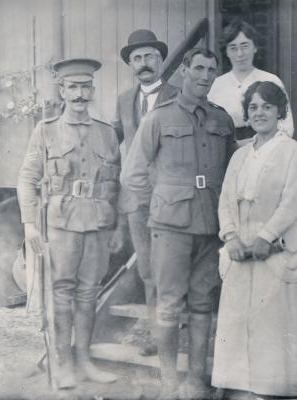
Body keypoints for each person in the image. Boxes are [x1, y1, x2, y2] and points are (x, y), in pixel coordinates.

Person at [121, 48, 235, 400]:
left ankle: (195, 381)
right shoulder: (159, 117)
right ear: (184, 71)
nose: (204, 75)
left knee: (202, 304)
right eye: (198, 68)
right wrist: (160, 200)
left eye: (211, 69)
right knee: (169, 304)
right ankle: (169, 383)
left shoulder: (222, 119)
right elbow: (133, 174)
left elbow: (232, 171)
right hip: (170, 227)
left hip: (209, 226)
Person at [17, 58, 120, 389]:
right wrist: (29, 224)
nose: (79, 94)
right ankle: (62, 363)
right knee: (61, 291)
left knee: (89, 291)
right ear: (62, 90)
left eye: (85, 87)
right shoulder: (45, 130)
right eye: (72, 87)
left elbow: (115, 185)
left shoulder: (107, 133)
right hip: (60, 223)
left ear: (93, 90)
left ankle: (84, 360)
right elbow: (26, 179)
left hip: (99, 221)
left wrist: (116, 226)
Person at [212, 81, 297, 400]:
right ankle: (238, 386)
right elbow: (226, 200)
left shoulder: (291, 152)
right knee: (237, 319)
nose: (259, 113)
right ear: (246, 114)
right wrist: (230, 236)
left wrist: (266, 236)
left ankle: (271, 389)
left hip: (273, 252)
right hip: (239, 252)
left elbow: (292, 201)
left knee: (271, 322)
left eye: (267, 106)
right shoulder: (240, 154)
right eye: (253, 107)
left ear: (279, 112)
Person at [111, 29, 178, 356]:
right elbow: (115, 144)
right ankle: (156, 333)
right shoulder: (124, 100)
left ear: (162, 59)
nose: (144, 63)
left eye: (150, 56)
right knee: (148, 269)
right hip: (136, 199)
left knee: (173, 266)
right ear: (130, 65)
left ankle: (175, 329)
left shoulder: (180, 95)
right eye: (136, 58)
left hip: (171, 198)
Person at [208, 19, 294, 140]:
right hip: (227, 150)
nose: (240, 54)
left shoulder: (270, 80)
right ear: (226, 52)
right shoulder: (216, 85)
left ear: (255, 47)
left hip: (266, 148)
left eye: (245, 46)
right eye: (233, 48)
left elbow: (286, 125)